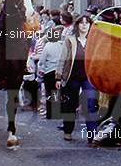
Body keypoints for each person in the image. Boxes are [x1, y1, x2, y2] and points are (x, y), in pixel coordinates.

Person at [55, 14, 99, 143]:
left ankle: (93, 136)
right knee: (70, 104)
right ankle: (68, 130)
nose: (84, 25)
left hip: (88, 78)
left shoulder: (94, 41)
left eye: (87, 23)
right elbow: (62, 59)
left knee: (91, 104)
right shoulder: (70, 40)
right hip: (72, 77)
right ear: (77, 25)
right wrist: (58, 77)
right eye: (81, 23)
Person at [38, 25, 64, 119]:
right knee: (57, 92)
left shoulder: (47, 46)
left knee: (49, 93)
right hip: (59, 72)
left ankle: (50, 114)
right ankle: (57, 113)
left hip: (49, 72)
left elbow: (42, 61)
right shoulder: (62, 45)